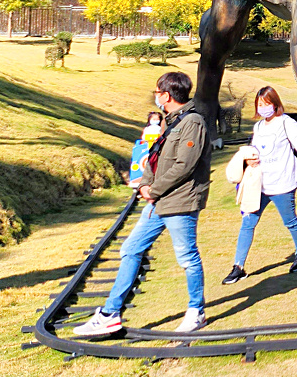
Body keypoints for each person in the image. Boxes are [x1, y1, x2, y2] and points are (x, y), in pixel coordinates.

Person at [74, 72, 211, 337]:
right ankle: (110, 314)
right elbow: (154, 157)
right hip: (160, 201)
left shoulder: (192, 122)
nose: (155, 96)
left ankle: (197, 312)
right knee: (131, 249)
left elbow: (185, 165)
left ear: (167, 95)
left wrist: (154, 189)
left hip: (179, 201)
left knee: (187, 256)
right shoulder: (171, 122)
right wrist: (145, 185)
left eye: (157, 92)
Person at [222, 86, 297, 285]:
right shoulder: (258, 127)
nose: (263, 108)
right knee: (248, 223)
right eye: (260, 104)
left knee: (290, 221)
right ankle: (238, 267)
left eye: (267, 104)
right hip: (260, 184)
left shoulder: (286, 123)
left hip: (282, 183)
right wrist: (248, 161)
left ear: (275, 104)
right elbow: (254, 150)